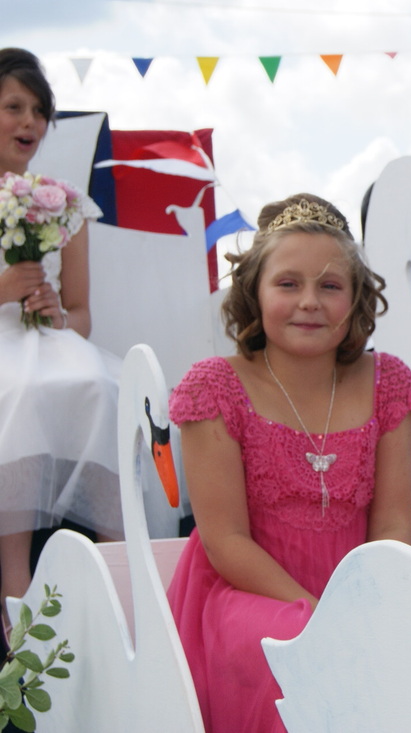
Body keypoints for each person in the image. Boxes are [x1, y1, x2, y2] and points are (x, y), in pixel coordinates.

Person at [166, 193, 411, 732]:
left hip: (356, 590)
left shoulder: (390, 384)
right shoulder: (214, 387)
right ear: (254, 292)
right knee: (292, 648)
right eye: (288, 284)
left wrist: (362, 608)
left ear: (356, 298)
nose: (309, 301)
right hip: (247, 593)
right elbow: (225, 540)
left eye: (330, 286)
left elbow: (393, 526)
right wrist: (318, 616)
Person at [0, 47, 121, 630]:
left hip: (46, 339)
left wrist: (54, 314)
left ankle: (120, 569)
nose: (30, 122)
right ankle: (13, 586)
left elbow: (82, 315)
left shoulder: (62, 201)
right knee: (20, 390)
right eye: (14, 107)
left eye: (40, 111)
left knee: (101, 384)